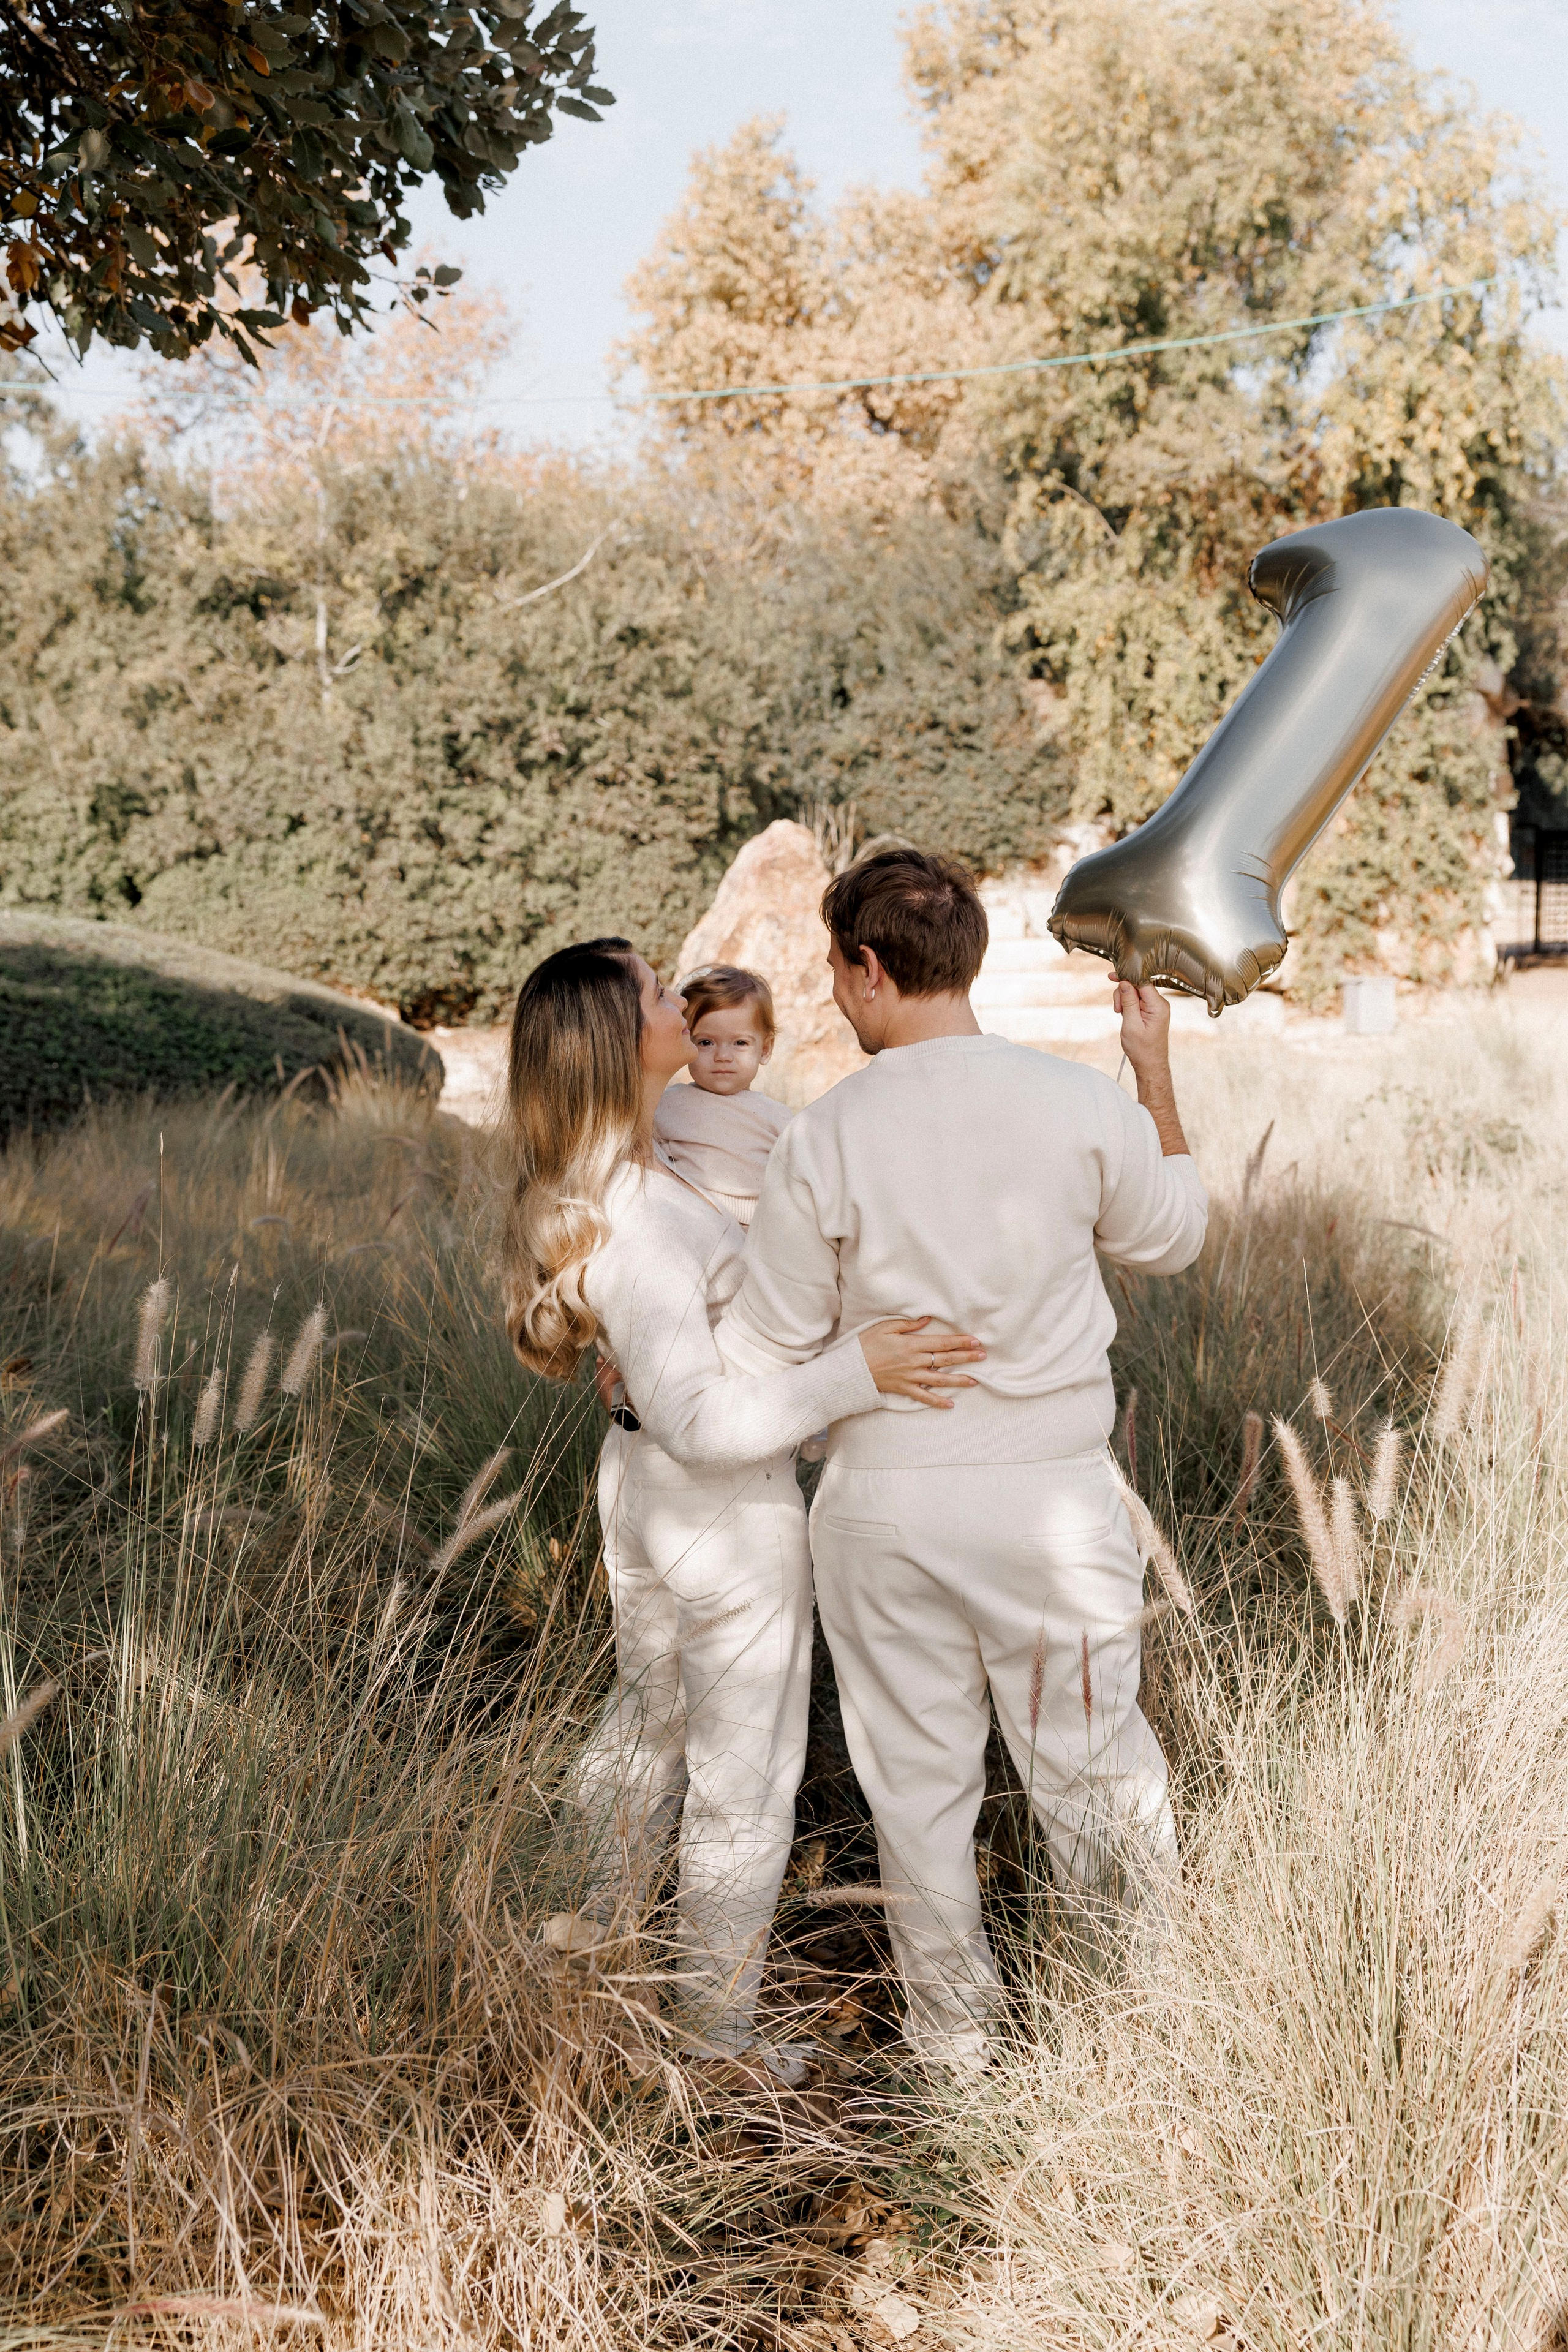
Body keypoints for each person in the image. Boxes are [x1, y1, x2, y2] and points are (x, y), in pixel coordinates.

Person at [718, 851, 1208, 2071]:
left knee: (917, 1794)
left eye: (838, 969)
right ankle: (1141, 2030)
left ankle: (951, 2052)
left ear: (869, 968)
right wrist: (1150, 1073)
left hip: (883, 1503)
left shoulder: (822, 1136)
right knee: (1095, 1778)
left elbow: (763, 1346)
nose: (834, 994)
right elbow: (1172, 1236)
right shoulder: (1077, 1105)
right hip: (1048, 1498)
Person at [501, 936, 984, 2080]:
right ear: (622, 1040)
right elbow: (706, 1420)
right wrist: (856, 1371)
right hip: (720, 1510)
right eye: (659, 994)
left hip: (651, 1502)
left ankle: (588, 1965)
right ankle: (715, 2041)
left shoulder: (637, 1168)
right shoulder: (648, 1221)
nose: (683, 1000)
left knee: (646, 1731)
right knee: (744, 1780)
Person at [653, 964, 791, 1229]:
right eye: (706, 1042)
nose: (723, 1056)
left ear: (765, 1049)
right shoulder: (668, 1104)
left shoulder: (777, 1117)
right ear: (687, 1042)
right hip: (692, 1224)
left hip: (759, 1231)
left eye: (740, 1043)